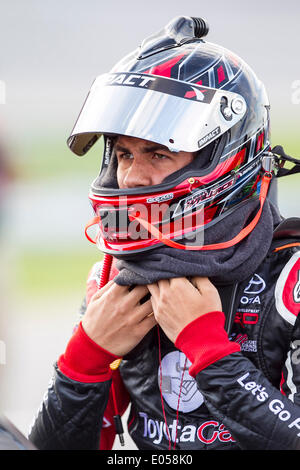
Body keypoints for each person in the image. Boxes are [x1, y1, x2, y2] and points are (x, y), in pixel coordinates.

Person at [29, 16, 300, 450]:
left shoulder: (292, 278)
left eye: (158, 153)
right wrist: (85, 359)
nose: (133, 178)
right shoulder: (112, 277)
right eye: (122, 154)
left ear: (224, 158)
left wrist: (211, 353)